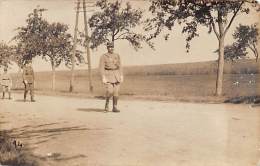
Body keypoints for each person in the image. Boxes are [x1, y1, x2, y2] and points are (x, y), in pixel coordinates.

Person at [99, 42, 123, 112]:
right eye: (109, 47)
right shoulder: (104, 56)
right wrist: (103, 77)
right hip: (108, 74)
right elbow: (101, 67)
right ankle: (107, 104)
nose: (111, 48)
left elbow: (120, 66)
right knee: (109, 91)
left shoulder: (117, 55)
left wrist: (121, 75)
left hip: (116, 75)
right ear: (107, 48)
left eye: (112, 47)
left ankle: (114, 107)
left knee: (116, 92)